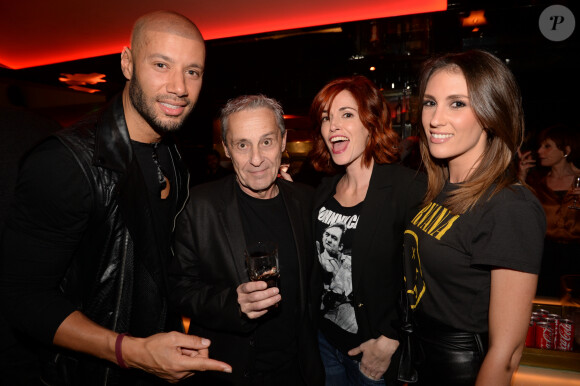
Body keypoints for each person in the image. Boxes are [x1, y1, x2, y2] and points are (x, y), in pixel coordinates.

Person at [0, 10, 232, 386]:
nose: (180, 87)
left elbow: (159, 266)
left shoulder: (172, 154)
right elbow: (22, 297)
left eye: (193, 71)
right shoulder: (68, 162)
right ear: (127, 63)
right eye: (161, 64)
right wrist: (131, 352)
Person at [403, 50, 546, 385]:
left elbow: (507, 353)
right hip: (420, 359)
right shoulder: (439, 188)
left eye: (457, 104)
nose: (435, 119)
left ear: (490, 113)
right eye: (429, 102)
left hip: (463, 370)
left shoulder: (510, 206)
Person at [169, 95, 324, 386]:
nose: (256, 159)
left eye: (266, 141)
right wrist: (233, 304)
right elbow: (178, 288)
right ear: (227, 149)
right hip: (231, 371)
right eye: (242, 145)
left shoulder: (306, 201)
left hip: (298, 371)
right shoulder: (199, 207)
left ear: (283, 140)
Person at [309, 75, 425, 385]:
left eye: (346, 114)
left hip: (372, 354)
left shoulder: (406, 188)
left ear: (370, 123)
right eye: (326, 118)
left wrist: (390, 338)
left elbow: (426, 277)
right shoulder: (323, 191)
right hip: (324, 343)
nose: (333, 126)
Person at [518, 124, 580, 297]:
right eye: (540, 146)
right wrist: (521, 177)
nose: (539, 151)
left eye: (547, 146)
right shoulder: (536, 182)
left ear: (566, 150)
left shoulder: (578, 180)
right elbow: (519, 215)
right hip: (545, 255)